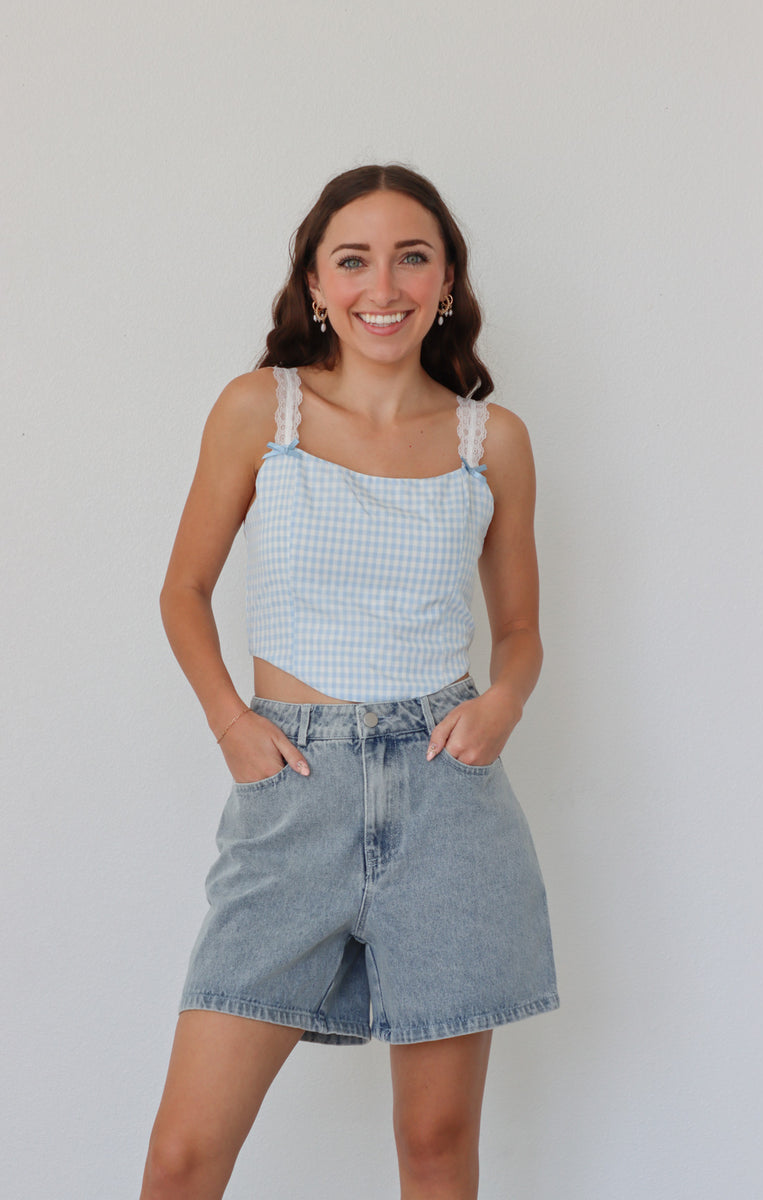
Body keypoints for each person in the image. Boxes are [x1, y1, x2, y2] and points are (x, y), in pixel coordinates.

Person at [140, 164, 558, 1200]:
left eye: (412, 256)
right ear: (315, 284)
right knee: (186, 1156)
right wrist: (231, 722)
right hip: (294, 788)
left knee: (433, 1146)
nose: (385, 284)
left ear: (447, 280)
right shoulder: (258, 412)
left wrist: (501, 703)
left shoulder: (488, 441)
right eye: (353, 258)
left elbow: (520, 630)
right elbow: (183, 591)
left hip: (446, 801)